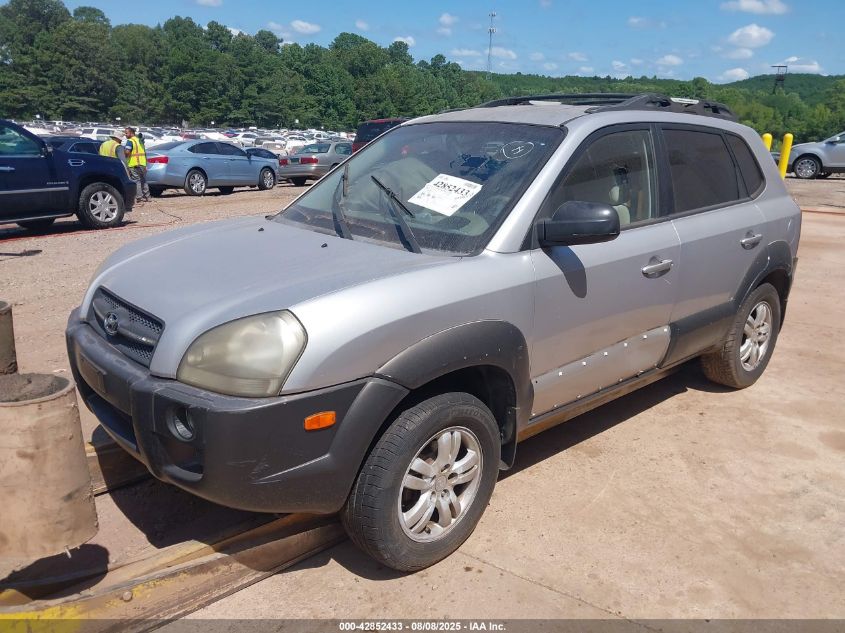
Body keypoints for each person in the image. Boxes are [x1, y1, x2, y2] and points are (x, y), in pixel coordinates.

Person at [124, 127, 150, 202]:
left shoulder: (130, 141)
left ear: (131, 133)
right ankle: (147, 196)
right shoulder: (140, 141)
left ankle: (139, 197)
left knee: (136, 181)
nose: (125, 135)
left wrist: (124, 153)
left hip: (134, 164)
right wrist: (146, 164)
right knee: (144, 180)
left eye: (126, 133)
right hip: (142, 163)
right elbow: (144, 153)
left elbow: (127, 152)